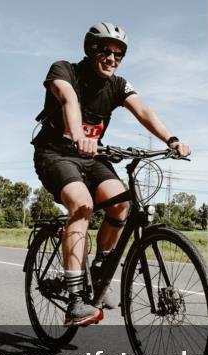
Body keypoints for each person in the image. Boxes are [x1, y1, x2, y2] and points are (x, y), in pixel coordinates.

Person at [32, 22, 190, 326]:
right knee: (83, 205)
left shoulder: (117, 84)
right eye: (106, 51)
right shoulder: (64, 70)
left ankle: (101, 271)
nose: (112, 59)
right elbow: (68, 100)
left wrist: (171, 140)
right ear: (91, 50)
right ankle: (75, 300)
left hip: (94, 155)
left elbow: (142, 110)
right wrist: (78, 135)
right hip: (56, 153)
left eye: (118, 55)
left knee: (120, 204)